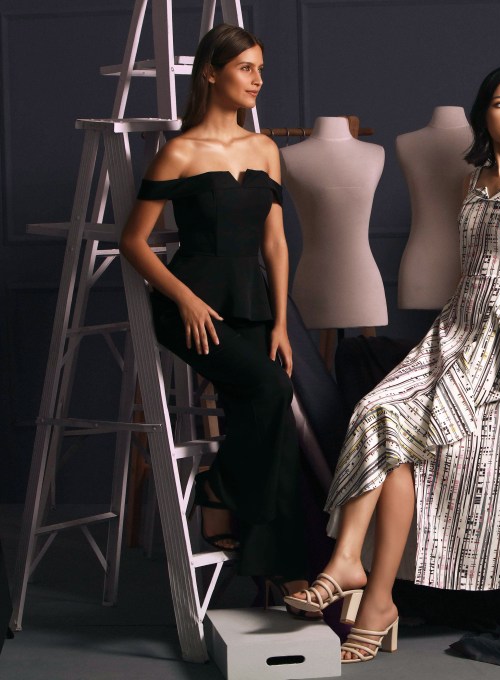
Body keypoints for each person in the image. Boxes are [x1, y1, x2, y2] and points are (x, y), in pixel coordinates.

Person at [285, 66, 500, 663]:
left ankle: (354, 574)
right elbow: (468, 265)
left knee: (390, 427)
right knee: (378, 419)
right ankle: (367, 587)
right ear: (485, 115)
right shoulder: (473, 180)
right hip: (453, 325)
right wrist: (446, 332)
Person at [119, 24, 311, 602]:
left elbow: (275, 243)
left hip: (252, 305)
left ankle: (246, 525)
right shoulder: (179, 152)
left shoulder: (265, 149)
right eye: (245, 68)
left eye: (260, 69)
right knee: (271, 393)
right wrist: (184, 297)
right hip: (191, 307)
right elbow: (133, 242)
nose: (258, 80)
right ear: (211, 72)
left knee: (269, 412)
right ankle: (254, 531)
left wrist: (281, 322)